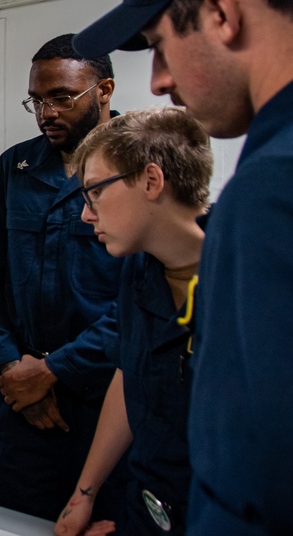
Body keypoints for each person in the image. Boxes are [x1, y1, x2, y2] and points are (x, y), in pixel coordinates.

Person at [72, 0, 293, 534]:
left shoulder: (271, 196)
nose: (160, 81)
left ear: (221, 13)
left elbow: (257, 491)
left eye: (162, 43)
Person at [0, 33, 127, 521]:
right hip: (18, 405)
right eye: (36, 100)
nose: (46, 113)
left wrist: (56, 369)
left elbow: (146, 299)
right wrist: (9, 370)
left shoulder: (140, 164)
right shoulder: (15, 168)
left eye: (62, 98)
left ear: (105, 90)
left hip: (105, 404)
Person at [53, 108, 212, 536]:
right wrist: (84, 494)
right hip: (148, 503)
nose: (87, 215)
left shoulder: (246, 278)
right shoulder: (140, 270)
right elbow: (129, 374)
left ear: (151, 181)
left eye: (95, 193)